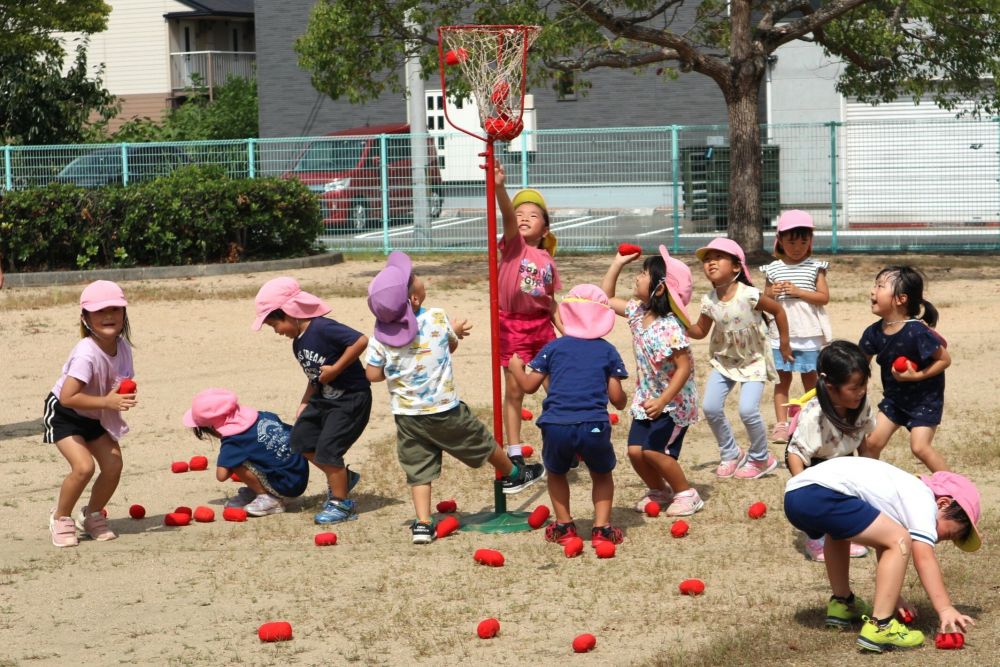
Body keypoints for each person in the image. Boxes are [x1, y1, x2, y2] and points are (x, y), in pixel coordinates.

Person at [364, 251, 545, 544]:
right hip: (444, 409)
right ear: (414, 300)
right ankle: (513, 473)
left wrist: (392, 366)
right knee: (481, 441)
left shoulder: (380, 338)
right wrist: (456, 331)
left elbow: (372, 375)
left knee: (418, 468)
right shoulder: (436, 317)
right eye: (413, 280)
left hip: (408, 416)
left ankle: (422, 524)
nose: (418, 280)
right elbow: (450, 346)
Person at [784, 456, 981, 653]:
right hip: (821, 493)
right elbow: (924, 558)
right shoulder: (923, 500)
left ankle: (842, 603)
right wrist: (945, 608)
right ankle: (882, 626)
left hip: (797, 495)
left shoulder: (901, 492)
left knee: (844, 534)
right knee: (900, 540)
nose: (940, 540)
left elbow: (884, 546)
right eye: (950, 533)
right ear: (943, 503)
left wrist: (895, 597)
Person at [508, 284, 630, 546]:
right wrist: (622, 400)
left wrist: (516, 368)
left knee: (556, 472)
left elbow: (529, 386)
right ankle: (602, 528)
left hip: (556, 425)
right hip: (594, 426)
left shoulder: (554, 348)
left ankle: (564, 525)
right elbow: (617, 399)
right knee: (601, 474)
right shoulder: (607, 350)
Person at [252, 277, 370, 525]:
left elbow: (360, 340)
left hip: (351, 399)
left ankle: (341, 504)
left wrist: (337, 369)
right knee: (300, 439)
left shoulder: (322, 328)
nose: (277, 332)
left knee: (328, 450)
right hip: (323, 398)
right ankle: (342, 477)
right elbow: (314, 377)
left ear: (290, 313)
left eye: (276, 325)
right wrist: (305, 402)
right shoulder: (298, 343)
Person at [601, 245, 703, 517]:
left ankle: (686, 493)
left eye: (644, 273)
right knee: (635, 452)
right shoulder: (637, 312)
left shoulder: (670, 326)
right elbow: (607, 298)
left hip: (673, 403)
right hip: (647, 398)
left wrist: (664, 400)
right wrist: (617, 263)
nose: (638, 276)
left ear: (659, 289)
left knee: (656, 452)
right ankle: (659, 490)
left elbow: (684, 367)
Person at [686, 238, 792, 479]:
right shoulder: (708, 301)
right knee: (710, 407)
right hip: (724, 361)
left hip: (753, 361)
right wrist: (679, 320)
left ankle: (760, 458)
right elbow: (699, 331)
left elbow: (777, 310)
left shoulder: (750, 294)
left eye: (718, 257)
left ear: (736, 267)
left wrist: (784, 343)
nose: (711, 262)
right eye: (707, 259)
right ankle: (731, 453)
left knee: (747, 411)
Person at [44, 280, 136, 547]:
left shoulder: (123, 347)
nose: (108, 316)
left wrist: (121, 396)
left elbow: (118, 382)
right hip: (65, 413)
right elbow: (68, 396)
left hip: (95, 413)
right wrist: (108, 401)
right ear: (85, 318)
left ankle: (92, 514)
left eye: (115, 310)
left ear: (124, 314)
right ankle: (60, 517)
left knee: (113, 465)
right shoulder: (86, 353)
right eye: (99, 311)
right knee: (84, 467)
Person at [493, 162, 561, 468]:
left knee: (556, 390)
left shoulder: (547, 259)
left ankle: (561, 439)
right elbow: (507, 216)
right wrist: (499, 188)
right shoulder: (512, 247)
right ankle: (515, 449)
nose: (524, 218)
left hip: (542, 330)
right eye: (520, 214)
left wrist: (569, 333)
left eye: (533, 215)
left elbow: (552, 302)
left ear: (545, 228)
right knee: (515, 390)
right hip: (512, 326)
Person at [785, 340, 874, 561]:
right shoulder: (814, 417)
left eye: (864, 385)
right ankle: (815, 537)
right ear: (831, 387)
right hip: (814, 464)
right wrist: (802, 488)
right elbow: (795, 454)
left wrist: (870, 469)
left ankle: (846, 532)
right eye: (854, 387)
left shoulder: (861, 404)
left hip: (843, 459)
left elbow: (863, 437)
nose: (861, 392)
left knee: (848, 497)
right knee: (820, 505)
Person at [859, 265, 950, 472]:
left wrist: (916, 376)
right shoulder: (873, 333)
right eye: (875, 285)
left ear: (901, 299)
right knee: (871, 443)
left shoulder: (917, 332)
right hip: (895, 399)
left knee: (920, 447)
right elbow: (859, 364)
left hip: (924, 401)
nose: (873, 291)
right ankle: (866, 487)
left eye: (880, 286)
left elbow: (944, 360)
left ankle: (954, 490)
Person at [759, 210, 832, 443]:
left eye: (804, 240)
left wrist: (798, 292)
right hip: (781, 333)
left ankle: (812, 418)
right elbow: (764, 298)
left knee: (811, 379)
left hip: (809, 332)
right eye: (791, 241)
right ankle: (781, 424)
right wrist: (772, 292)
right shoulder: (773, 268)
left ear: (810, 240)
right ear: (780, 239)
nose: (798, 246)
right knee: (782, 380)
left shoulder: (815, 267)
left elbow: (823, 297)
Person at [182, 388, 309, 516]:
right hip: (298, 471)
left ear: (212, 428)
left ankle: (267, 498)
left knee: (235, 461)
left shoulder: (234, 440)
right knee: (255, 450)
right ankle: (257, 490)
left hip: (286, 485)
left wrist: (227, 456)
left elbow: (221, 476)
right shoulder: (265, 415)